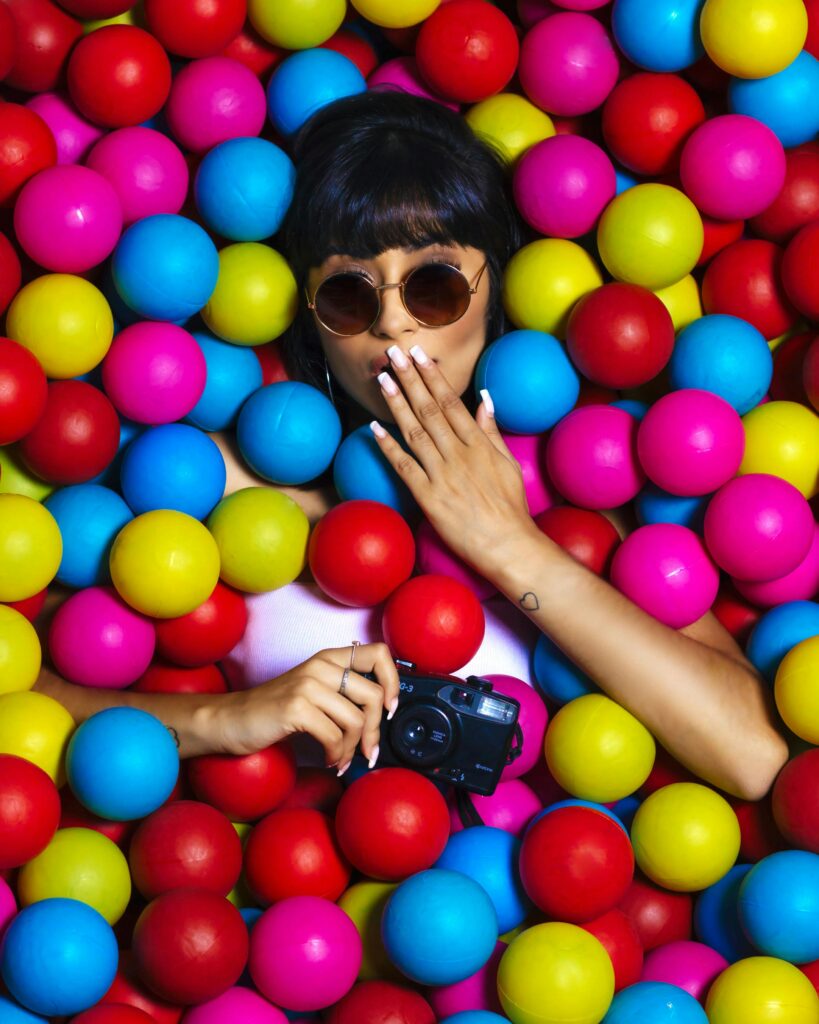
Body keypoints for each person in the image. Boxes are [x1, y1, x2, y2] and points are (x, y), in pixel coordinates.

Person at [34, 90, 788, 801]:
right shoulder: (214, 485)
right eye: (350, 295)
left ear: (495, 291)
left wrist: (509, 545)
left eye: (434, 286)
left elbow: (753, 757)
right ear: (311, 322)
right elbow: (27, 694)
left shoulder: (585, 490)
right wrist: (223, 720)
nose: (393, 323)